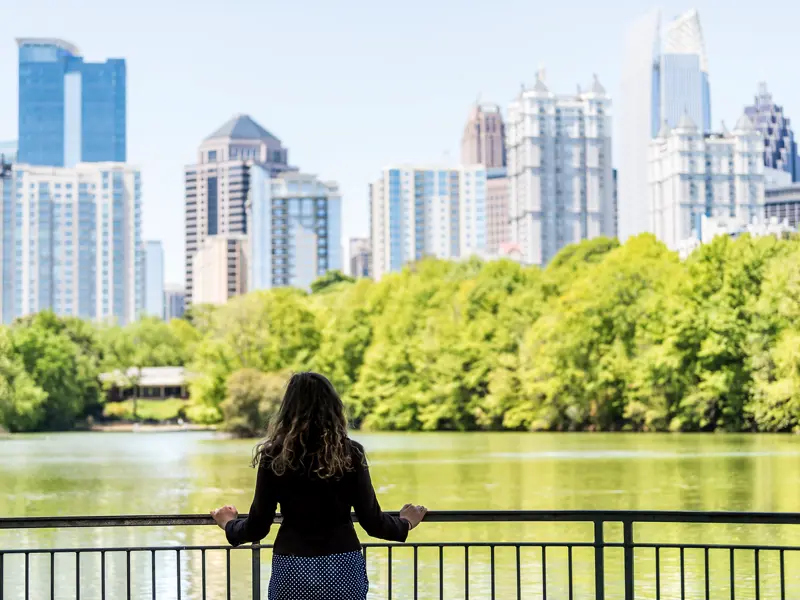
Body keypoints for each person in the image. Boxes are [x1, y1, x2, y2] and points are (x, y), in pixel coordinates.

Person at [210, 371, 427, 600]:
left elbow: (258, 526)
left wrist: (229, 525)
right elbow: (372, 522)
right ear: (333, 408)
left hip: (292, 569)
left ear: (288, 409)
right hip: (341, 569)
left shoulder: (274, 456)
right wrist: (406, 523)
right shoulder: (350, 453)